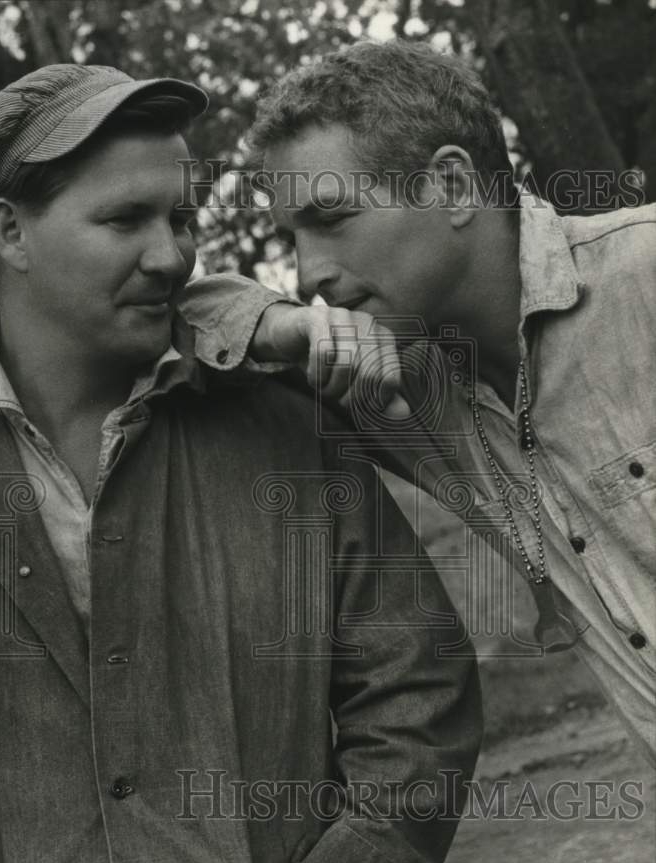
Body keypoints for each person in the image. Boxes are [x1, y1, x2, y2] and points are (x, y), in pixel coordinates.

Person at [0, 63, 481, 863]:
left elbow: (416, 693)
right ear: (10, 232)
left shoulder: (282, 421)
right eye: (126, 218)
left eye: (180, 217)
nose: (170, 255)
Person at [193, 39, 655, 763]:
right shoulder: (385, 381)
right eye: (293, 238)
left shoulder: (644, 278)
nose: (310, 271)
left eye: (332, 219)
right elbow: (183, 317)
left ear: (451, 186)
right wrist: (288, 325)